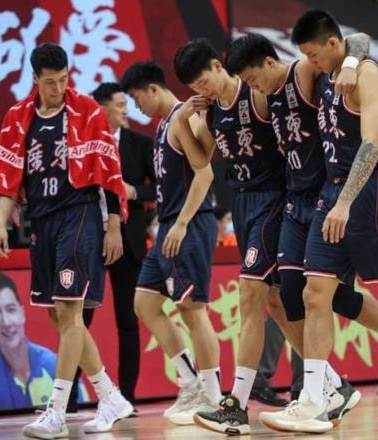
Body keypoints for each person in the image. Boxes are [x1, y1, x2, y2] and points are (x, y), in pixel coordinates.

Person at [224, 32, 378, 430]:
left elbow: (356, 39)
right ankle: (326, 389)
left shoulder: (304, 72)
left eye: (254, 78)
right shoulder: (265, 97)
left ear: (270, 63)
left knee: (328, 295)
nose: (253, 87)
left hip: (329, 196)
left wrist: (349, 64)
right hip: (296, 200)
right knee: (293, 294)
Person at [261, 10, 378, 432]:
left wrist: (344, 202)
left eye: (313, 55)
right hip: (331, 192)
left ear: (331, 44)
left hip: (368, 192)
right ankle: (313, 399)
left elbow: (372, 144)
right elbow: (357, 37)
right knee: (314, 293)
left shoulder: (367, 75)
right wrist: (348, 58)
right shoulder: (331, 72)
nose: (311, 63)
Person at [0, 43, 132, 438]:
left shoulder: (87, 110)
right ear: (35, 79)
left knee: (70, 313)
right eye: (50, 82)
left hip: (79, 214)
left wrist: (114, 225)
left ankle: (56, 411)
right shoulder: (17, 117)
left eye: (63, 80)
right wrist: (1, 225)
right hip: (42, 220)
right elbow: (6, 176)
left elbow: (109, 171)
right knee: (58, 317)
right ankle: (110, 395)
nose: (58, 88)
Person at [173, 38, 301, 435]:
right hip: (243, 204)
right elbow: (201, 163)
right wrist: (183, 120)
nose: (203, 91)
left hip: (272, 199)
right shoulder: (210, 111)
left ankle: (236, 405)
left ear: (218, 66)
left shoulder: (256, 93)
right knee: (275, 303)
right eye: (194, 88)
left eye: (203, 82)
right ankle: (329, 381)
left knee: (249, 296)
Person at [121, 61, 221, 425]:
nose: (136, 107)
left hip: (188, 225)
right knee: (144, 303)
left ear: (153, 89)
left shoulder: (183, 117)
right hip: (168, 225)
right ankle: (191, 381)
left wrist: (180, 223)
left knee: (193, 309)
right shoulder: (164, 124)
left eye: (137, 99)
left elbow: (205, 173)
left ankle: (213, 395)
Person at [91, 82, 156, 407]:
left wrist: (134, 192)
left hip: (129, 243)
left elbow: (160, 186)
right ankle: (69, 400)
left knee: (128, 321)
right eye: (119, 105)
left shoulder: (139, 143)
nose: (126, 110)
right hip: (89, 238)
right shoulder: (83, 143)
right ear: (100, 108)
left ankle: (127, 395)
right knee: (78, 320)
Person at [0, 272, 58, 412]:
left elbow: (79, 418)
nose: (6, 322)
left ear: (22, 313)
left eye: (10, 309)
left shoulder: (55, 366)